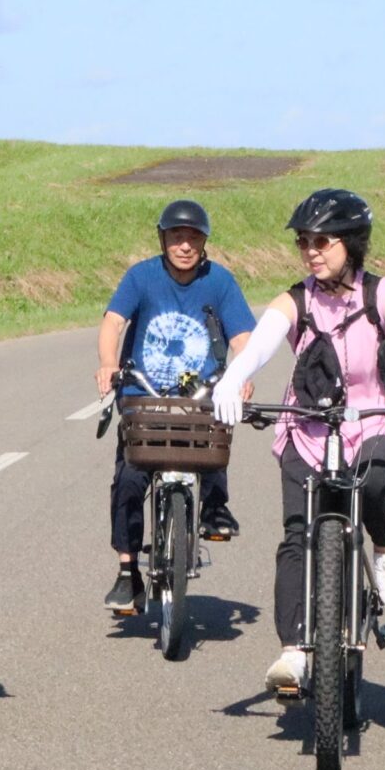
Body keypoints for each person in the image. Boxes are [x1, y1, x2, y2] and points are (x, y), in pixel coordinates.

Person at [206, 188, 385, 694]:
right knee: (298, 532)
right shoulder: (295, 299)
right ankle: (293, 650)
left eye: (321, 241)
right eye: (304, 242)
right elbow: (258, 347)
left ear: (351, 244)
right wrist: (230, 383)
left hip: (378, 419)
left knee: (377, 475)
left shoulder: (382, 294)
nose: (310, 251)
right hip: (310, 426)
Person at [93, 198, 256, 614]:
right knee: (129, 481)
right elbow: (114, 321)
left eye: (194, 238)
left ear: (204, 243)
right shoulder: (141, 276)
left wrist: (243, 374)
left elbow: (243, 339)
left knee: (216, 433)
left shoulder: (219, 281)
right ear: (163, 238)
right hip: (143, 396)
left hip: (198, 397)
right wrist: (109, 364)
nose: (185, 246)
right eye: (176, 237)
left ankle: (215, 508)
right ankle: (127, 572)